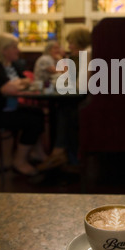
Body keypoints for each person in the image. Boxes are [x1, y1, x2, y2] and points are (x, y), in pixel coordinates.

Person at [0, 33, 55, 176]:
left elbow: (27, 80)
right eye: (14, 47)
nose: (18, 50)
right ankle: (19, 161)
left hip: (4, 109)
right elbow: (9, 88)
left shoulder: (10, 65)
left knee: (37, 113)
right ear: (4, 50)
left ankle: (37, 154)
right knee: (31, 121)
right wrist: (16, 85)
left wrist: (17, 84)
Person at [37, 27, 92, 170]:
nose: (69, 47)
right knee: (65, 108)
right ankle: (63, 154)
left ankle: (60, 153)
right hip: (89, 101)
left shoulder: (87, 54)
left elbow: (81, 86)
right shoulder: (84, 55)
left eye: (71, 43)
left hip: (90, 104)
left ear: (80, 42)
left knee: (66, 110)